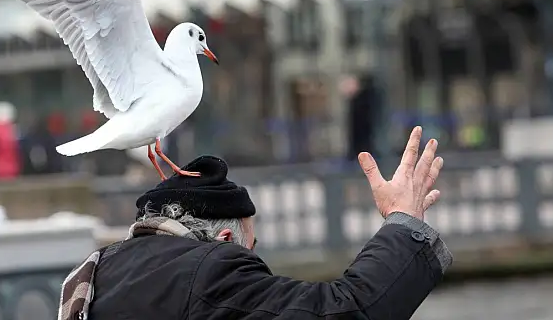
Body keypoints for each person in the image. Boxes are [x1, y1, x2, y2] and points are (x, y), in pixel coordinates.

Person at [59, 126, 452, 320]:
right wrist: (403, 221)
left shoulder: (101, 269)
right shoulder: (212, 270)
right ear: (227, 238)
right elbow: (347, 311)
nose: (252, 258)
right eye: (252, 245)